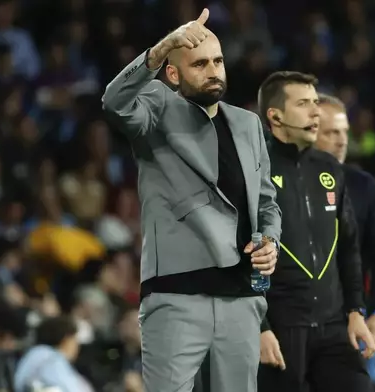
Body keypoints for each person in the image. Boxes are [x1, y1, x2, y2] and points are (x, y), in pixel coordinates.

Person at [102, 8, 281, 392]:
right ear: (172, 73)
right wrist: (162, 47)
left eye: (218, 61)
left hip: (241, 298)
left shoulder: (248, 125)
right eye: (199, 64)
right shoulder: (155, 108)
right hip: (176, 295)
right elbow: (114, 101)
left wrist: (270, 241)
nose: (213, 70)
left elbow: (267, 202)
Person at [256, 71, 375, 392]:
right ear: (276, 116)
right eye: (303, 103)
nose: (315, 112)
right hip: (282, 329)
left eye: (315, 103)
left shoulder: (330, 168)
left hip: (334, 326)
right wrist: (260, 326)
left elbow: (349, 246)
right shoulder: (254, 168)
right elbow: (241, 250)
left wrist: (355, 310)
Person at [315, 93, 375, 347]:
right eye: (330, 133)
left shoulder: (364, 186)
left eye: (344, 132)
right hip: (291, 322)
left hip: (348, 321)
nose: (341, 142)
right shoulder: (279, 183)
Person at [13, 316, 95, 392]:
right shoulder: (49, 359)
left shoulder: (37, 354)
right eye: (74, 340)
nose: (77, 346)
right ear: (65, 340)